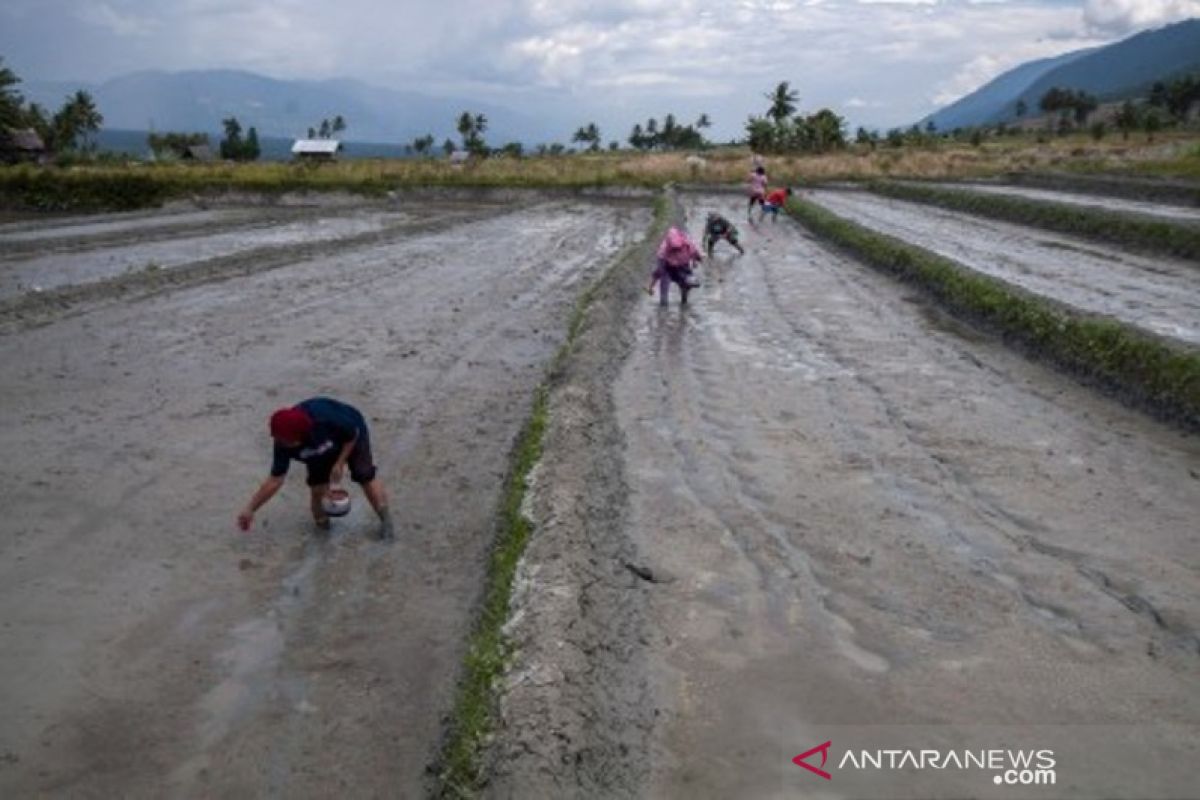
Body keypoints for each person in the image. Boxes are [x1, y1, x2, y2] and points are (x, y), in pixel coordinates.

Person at [237, 397, 395, 540]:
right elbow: (275, 480)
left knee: (364, 474)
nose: (281, 444)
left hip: (350, 433)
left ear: (301, 436)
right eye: (278, 439)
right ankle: (322, 534)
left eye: (286, 442)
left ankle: (387, 523)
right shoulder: (282, 441)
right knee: (317, 488)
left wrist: (340, 462)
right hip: (319, 448)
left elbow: (352, 434)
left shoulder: (325, 419)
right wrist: (250, 509)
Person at [647, 226, 703, 306]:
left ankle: (684, 302)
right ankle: (663, 310)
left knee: (686, 283)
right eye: (674, 251)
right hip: (667, 268)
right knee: (664, 291)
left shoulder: (688, 245)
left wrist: (696, 261)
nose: (676, 252)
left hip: (682, 266)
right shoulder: (663, 252)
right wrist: (651, 287)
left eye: (678, 250)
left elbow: (696, 255)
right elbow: (657, 272)